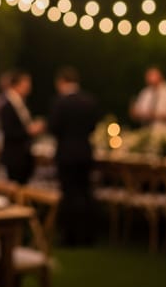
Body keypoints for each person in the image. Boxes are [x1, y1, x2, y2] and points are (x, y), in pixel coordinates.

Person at [48, 66, 100, 246]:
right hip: (85, 153)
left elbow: (54, 128)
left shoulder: (60, 102)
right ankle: (88, 236)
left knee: (69, 194)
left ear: (61, 82)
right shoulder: (89, 101)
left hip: (67, 154)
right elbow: (93, 127)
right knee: (85, 193)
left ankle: (70, 237)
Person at [0, 70, 43, 184]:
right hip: (15, 156)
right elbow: (9, 131)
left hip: (24, 154)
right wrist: (29, 131)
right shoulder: (7, 105)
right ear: (17, 85)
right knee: (15, 186)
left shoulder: (21, 103)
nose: (29, 87)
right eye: (26, 84)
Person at [131, 66, 166, 136]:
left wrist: (157, 116)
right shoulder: (145, 93)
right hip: (146, 133)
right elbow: (136, 114)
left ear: (161, 76)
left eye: (152, 75)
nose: (150, 78)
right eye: (148, 76)